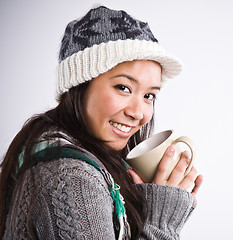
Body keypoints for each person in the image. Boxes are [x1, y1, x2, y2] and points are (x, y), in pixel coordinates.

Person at [0, 5, 203, 240]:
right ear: (80, 86)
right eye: (123, 88)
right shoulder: (72, 179)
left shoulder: (58, 150)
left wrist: (153, 198)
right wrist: (161, 222)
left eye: (149, 96)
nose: (138, 113)